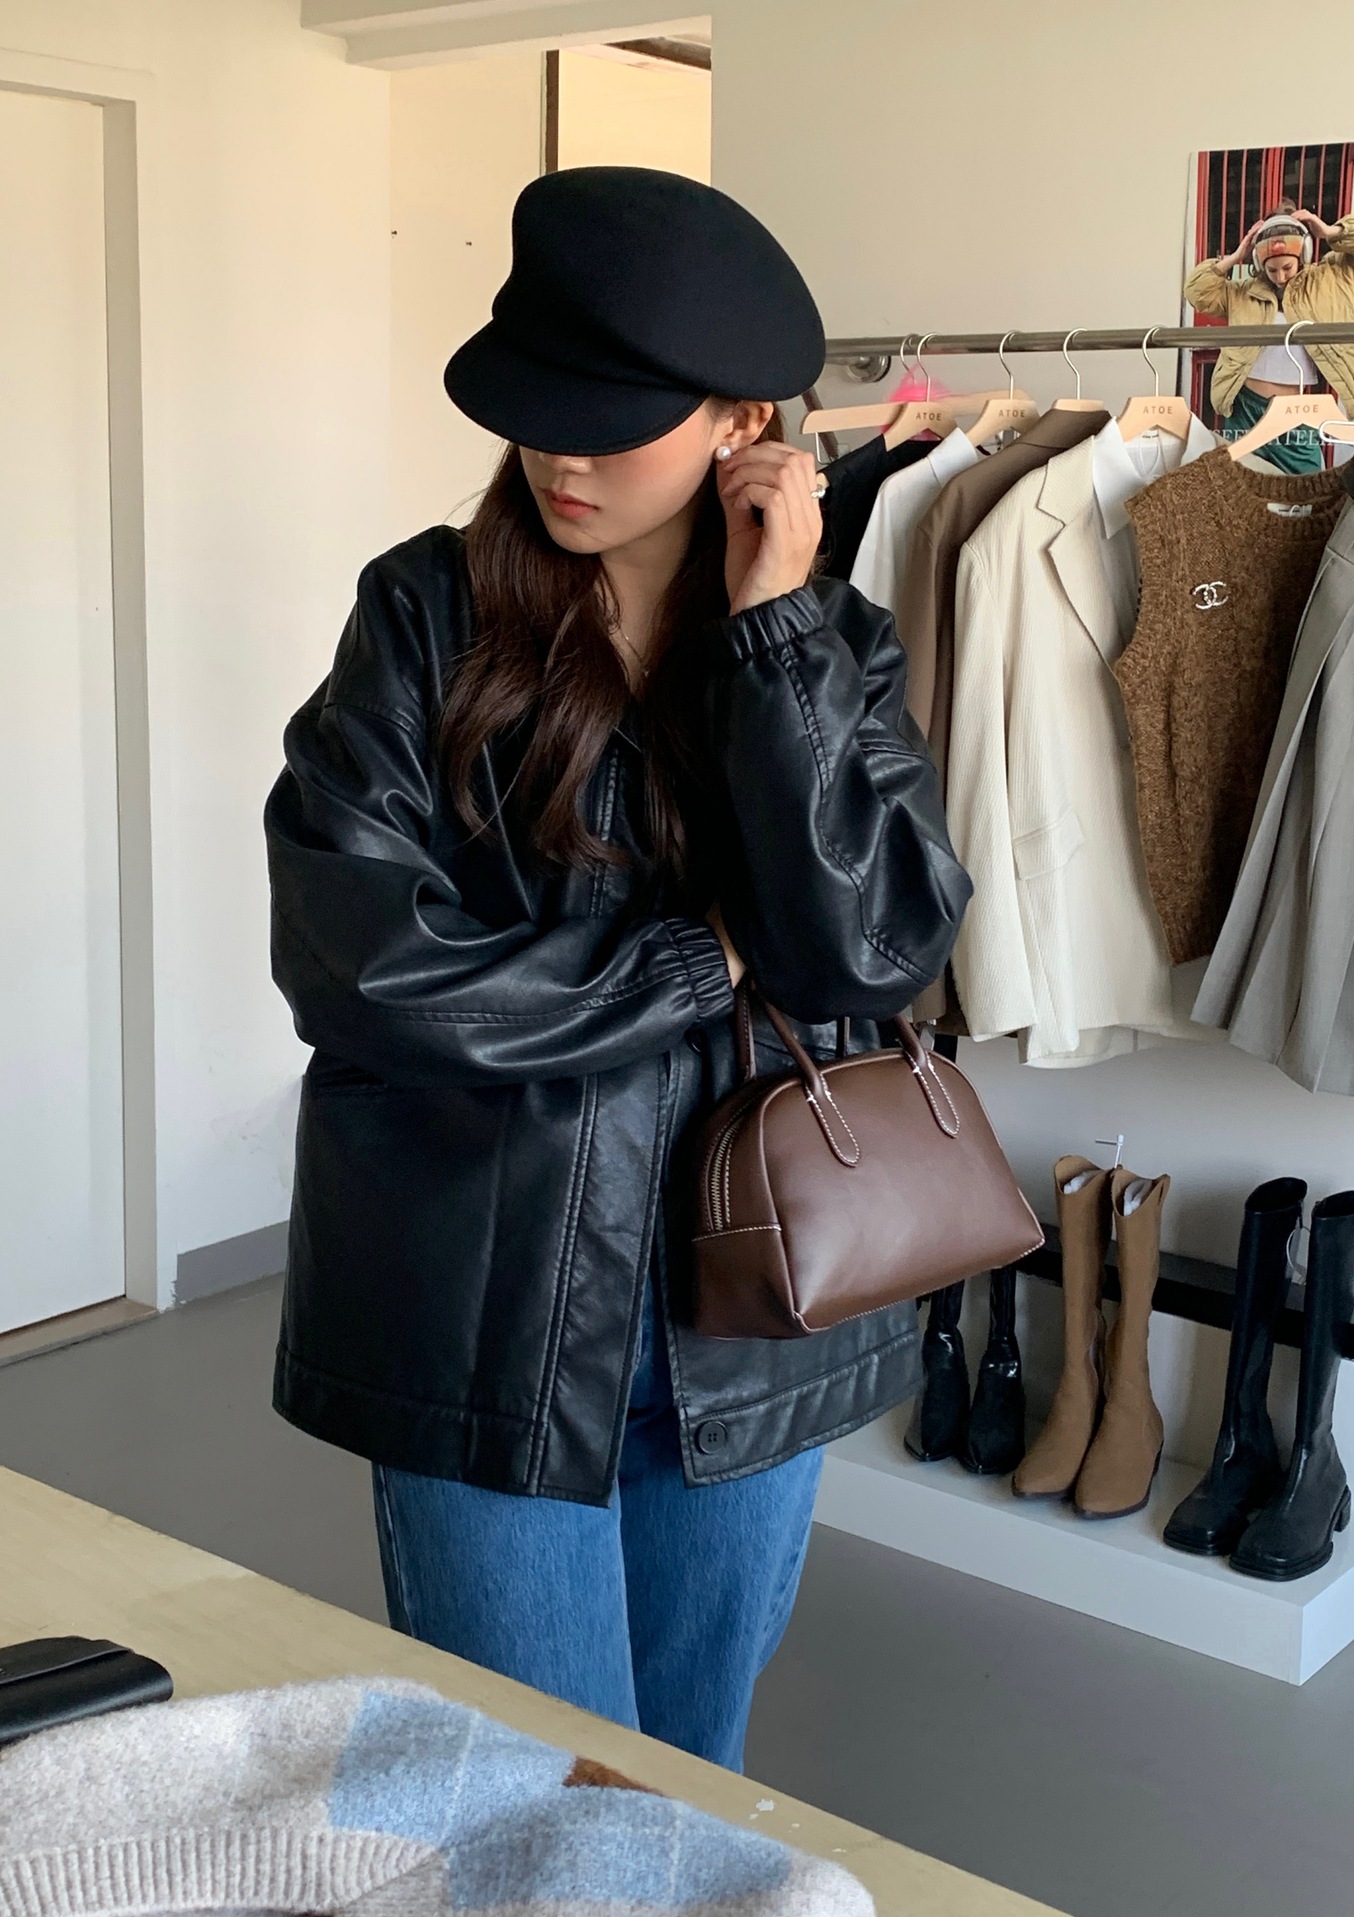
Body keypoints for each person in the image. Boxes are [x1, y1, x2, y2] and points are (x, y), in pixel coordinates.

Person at [263, 167, 969, 1773]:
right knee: (535, 1785)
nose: (560, 457)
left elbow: (874, 948)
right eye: (538, 415)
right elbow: (356, 964)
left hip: (758, 1304)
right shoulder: (423, 616)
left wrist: (772, 637)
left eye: (608, 423)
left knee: (689, 1775)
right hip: (489, 1299)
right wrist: (686, 967)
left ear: (742, 424)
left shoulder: (834, 648)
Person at [1184, 200, 1354, 472]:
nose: (1280, 277)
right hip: (1244, 409)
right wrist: (1236, 255)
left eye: (1287, 267)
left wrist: (1329, 231)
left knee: (1307, 486)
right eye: (1271, 269)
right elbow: (1196, 291)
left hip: (1298, 413)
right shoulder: (1243, 293)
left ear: (1304, 254)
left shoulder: (1334, 281)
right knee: (1241, 490)